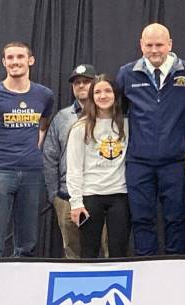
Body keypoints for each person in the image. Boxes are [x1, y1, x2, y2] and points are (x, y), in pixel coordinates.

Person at [117, 23, 185, 255]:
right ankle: (146, 267)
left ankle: (175, 266)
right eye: (149, 45)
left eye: (159, 45)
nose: (155, 50)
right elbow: (120, 113)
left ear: (170, 45)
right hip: (139, 161)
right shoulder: (126, 74)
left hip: (175, 161)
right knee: (142, 218)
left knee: (175, 217)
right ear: (141, 45)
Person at [0, 41, 54, 259]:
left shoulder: (44, 95)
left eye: (19, 57)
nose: (15, 62)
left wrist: (31, 149)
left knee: (28, 244)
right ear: (4, 62)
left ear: (30, 60)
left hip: (32, 173)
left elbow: (42, 126)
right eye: (10, 58)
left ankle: (22, 290)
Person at [66, 75, 130, 259]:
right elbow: (74, 168)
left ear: (115, 94)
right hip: (90, 196)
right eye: (98, 92)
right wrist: (76, 203)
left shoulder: (127, 124)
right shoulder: (81, 128)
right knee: (89, 251)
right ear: (92, 96)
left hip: (120, 195)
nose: (103, 96)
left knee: (119, 250)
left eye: (108, 91)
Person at [43, 63, 95, 259]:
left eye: (86, 82)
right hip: (67, 196)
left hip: (101, 192)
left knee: (106, 249)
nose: (81, 86)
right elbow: (49, 156)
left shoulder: (107, 114)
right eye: (77, 83)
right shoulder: (62, 118)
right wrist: (54, 195)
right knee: (72, 251)